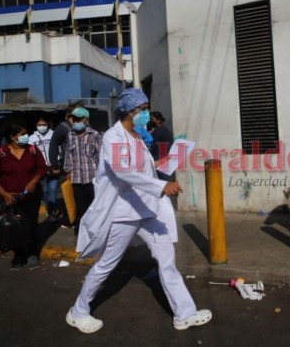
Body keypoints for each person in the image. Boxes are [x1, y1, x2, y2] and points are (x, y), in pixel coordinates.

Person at [66, 88, 211, 334]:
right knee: (107, 264)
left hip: (149, 208)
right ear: (131, 111)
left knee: (167, 261)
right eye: (142, 110)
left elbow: (143, 168)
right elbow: (123, 171)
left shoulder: (136, 136)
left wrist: (169, 161)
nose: (146, 114)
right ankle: (78, 311)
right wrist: (161, 185)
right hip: (125, 211)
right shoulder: (113, 137)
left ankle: (184, 313)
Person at [0, 122, 47, 270]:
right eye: (22, 134)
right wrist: (4, 194)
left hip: (31, 197)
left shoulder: (32, 150)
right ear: (12, 137)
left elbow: (42, 168)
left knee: (31, 225)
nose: (26, 137)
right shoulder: (1, 153)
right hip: (11, 199)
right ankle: (19, 255)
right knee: (14, 226)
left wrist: (33, 181)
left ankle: (33, 253)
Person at [63, 107, 101, 237]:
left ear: (86, 120)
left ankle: (94, 236)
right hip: (77, 179)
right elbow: (68, 154)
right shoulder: (70, 135)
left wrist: (101, 176)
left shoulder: (94, 135)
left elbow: (100, 156)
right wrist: (68, 171)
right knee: (80, 210)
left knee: (94, 209)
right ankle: (80, 237)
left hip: (93, 179)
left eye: (79, 119)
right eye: (74, 119)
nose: (76, 121)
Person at [29, 117, 59, 223]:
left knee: (53, 191)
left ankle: (51, 213)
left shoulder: (54, 135)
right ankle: (49, 209)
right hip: (40, 169)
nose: (42, 127)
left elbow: (59, 149)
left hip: (53, 168)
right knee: (45, 192)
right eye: (39, 125)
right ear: (36, 126)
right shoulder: (32, 138)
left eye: (44, 124)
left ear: (48, 125)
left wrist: (57, 162)